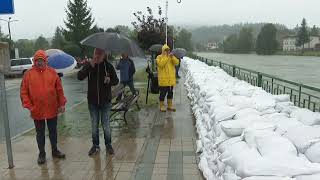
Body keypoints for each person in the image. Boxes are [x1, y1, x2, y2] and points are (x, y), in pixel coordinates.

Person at [20, 50, 67, 165]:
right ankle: (42, 154)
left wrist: (61, 104)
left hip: (52, 108)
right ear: (34, 61)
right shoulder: (28, 74)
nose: (39, 63)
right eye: (37, 61)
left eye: (41, 60)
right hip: (37, 111)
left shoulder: (52, 73)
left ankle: (55, 150)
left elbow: (59, 90)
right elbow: (23, 92)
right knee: (40, 133)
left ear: (45, 61)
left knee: (53, 131)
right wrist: (30, 106)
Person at [77, 48, 119, 156]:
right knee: (94, 125)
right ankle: (95, 146)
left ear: (104, 55)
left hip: (105, 101)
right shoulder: (89, 65)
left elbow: (116, 81)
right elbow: (80, 76)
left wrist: (109, 80)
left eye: (100, 53)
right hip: (92, 102)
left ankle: (108, 145)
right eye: (96, 53)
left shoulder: (108, 66)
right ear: (93, 53)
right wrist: (90, 65)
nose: (98, 55)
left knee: (106, 125)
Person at [156, 44, 179, 112]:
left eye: (168, 50)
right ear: (163, 51)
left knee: (170, 93)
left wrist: (172, 57)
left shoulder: (171, 57)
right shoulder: (159, 57)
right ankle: (161, 106)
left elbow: (177, 63)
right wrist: (167, 57)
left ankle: (169, 105)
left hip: (171, 80)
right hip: (163, 81)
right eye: (166, 50)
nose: (167, 51)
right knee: (162, 94)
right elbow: (161, 64)